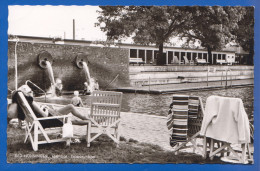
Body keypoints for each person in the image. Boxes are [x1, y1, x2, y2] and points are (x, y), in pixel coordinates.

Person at [8, 85, 90, 127]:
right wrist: (45, 108)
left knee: (71, 118)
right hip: (47, 120)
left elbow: (21, 117)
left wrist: (43, 108)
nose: (32, 93)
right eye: (30, 92)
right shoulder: (31, 102)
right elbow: (45, 115)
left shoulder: (22, 105)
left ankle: (89, 121)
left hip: (42, 121)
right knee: (70, 108)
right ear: (27, 94)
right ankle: (89, 121)